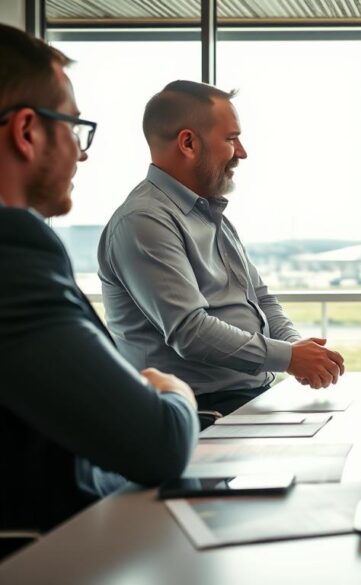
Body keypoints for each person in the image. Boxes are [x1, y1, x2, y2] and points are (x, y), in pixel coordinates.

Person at [0, 24, 198, 543]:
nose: (81, 152)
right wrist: (172, 389)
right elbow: (160, 443)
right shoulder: (11, 257)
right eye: (73, 126)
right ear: (26, 132)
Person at [98, 80, 345, 418]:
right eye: (231, 139)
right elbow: (190, 331)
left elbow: (261, 300)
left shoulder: (211, 216)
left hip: (248, 400)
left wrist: (296, 351)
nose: (241, 152)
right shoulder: (144, 221)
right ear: (188, 143)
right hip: (196, 415)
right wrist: (288, 357)